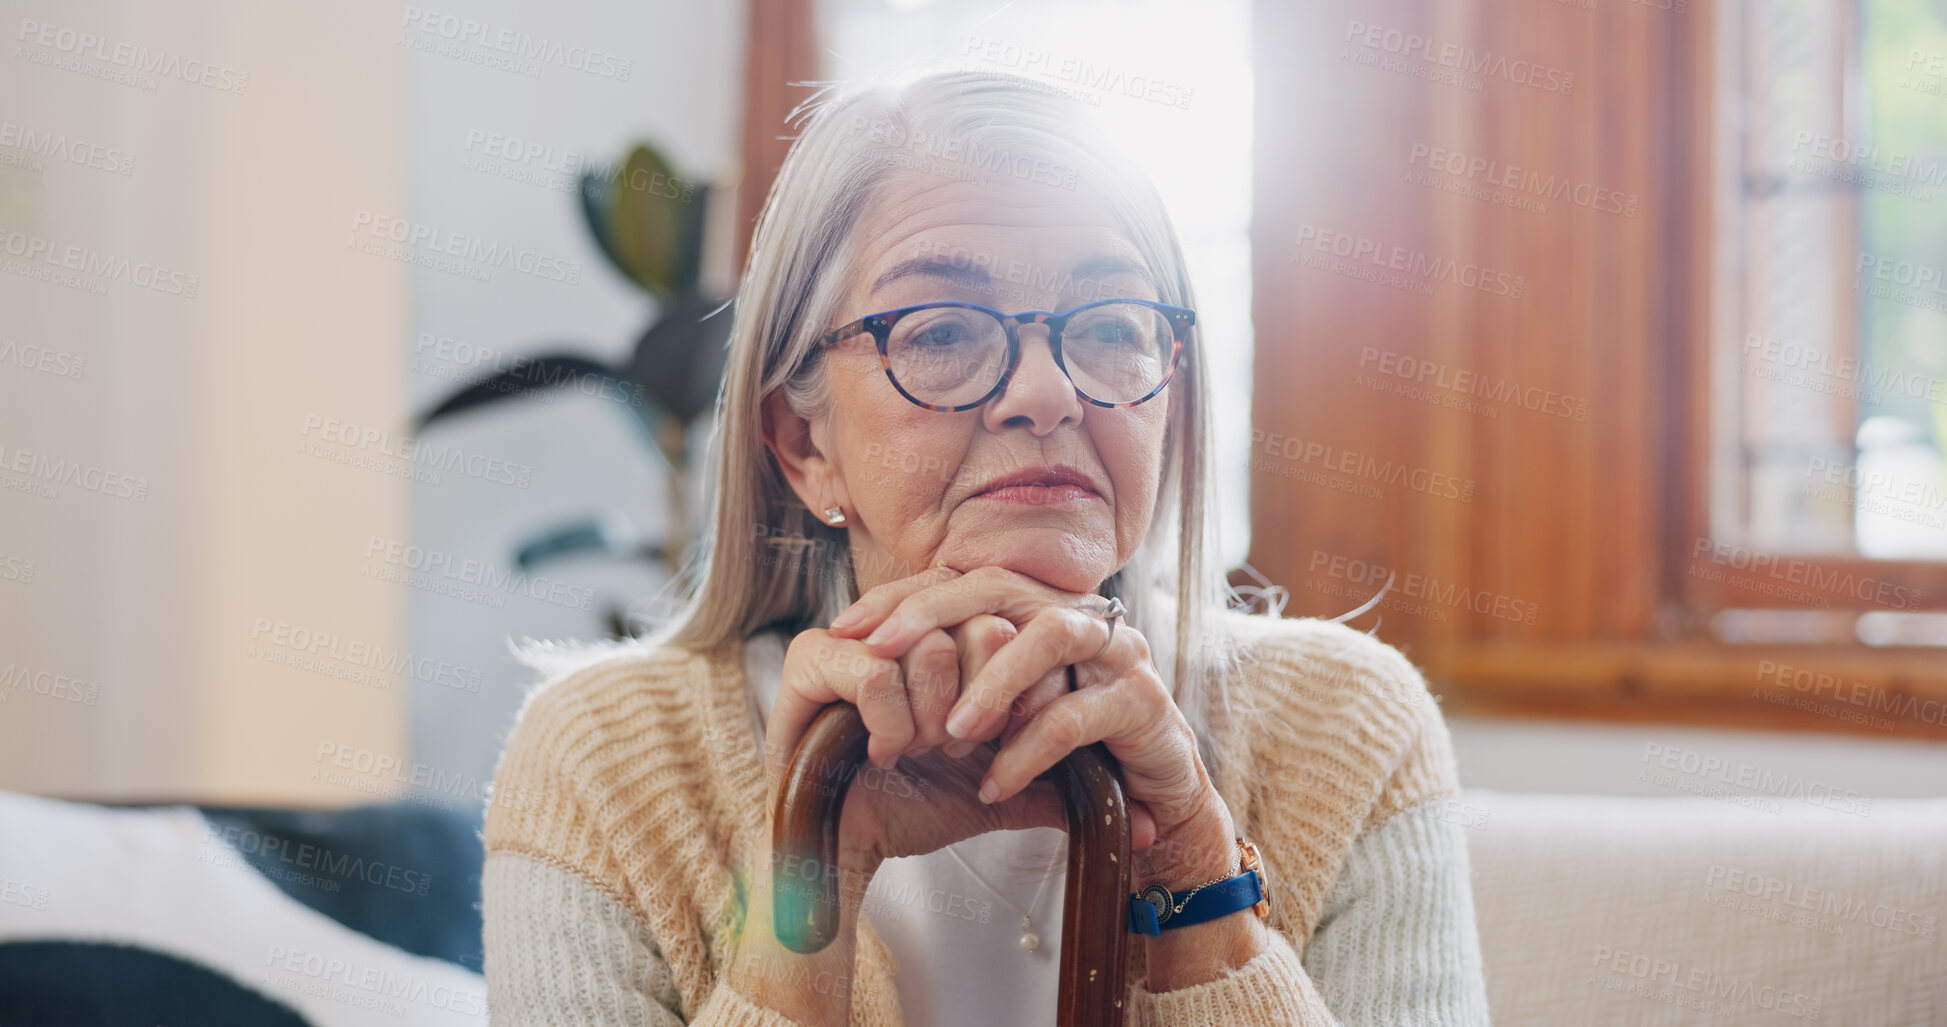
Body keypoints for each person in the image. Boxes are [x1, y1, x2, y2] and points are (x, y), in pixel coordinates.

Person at [482, 69, 1491, 1026]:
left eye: (1110, 325)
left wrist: (1196, 875)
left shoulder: (1348, 726)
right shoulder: (601, 764)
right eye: (941, 332)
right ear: (803, 443)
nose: (1049, 391)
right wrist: (802, 898)